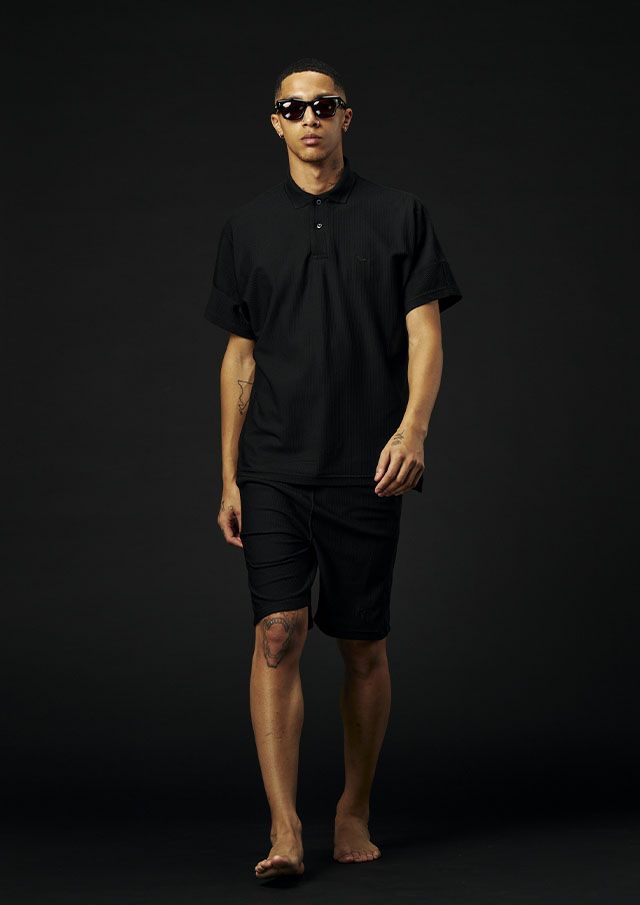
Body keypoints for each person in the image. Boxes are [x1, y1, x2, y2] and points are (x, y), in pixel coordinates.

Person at [203, 57, 463, 881]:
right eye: (293, 108)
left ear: (347, 117)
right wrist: (229, 476)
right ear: (275, 124)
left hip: (367, 465)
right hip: (274, 465)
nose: (309, 118)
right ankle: (284, 827)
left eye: (324, 105)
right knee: (277, 632)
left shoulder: (400, 215)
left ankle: (353, 805)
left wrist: (413, 429)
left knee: (361, 645)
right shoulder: (247, 228)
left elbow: (425, 334)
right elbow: (239, 356)